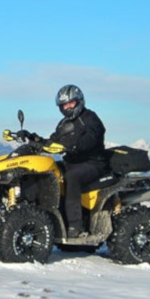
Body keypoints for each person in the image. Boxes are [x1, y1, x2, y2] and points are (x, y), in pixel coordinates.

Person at [48, 84, 109, 238]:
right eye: (64, 105)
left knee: (71, 178)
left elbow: (93, 137)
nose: (67, 107)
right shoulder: (63, 124)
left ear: (79, 101)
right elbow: (53, 140)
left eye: (71, 103)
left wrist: (76, 145)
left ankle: (75, 226)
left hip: (93, 163)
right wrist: (33, 139)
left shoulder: (90, 118)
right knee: (49, 173)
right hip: (72, 163)